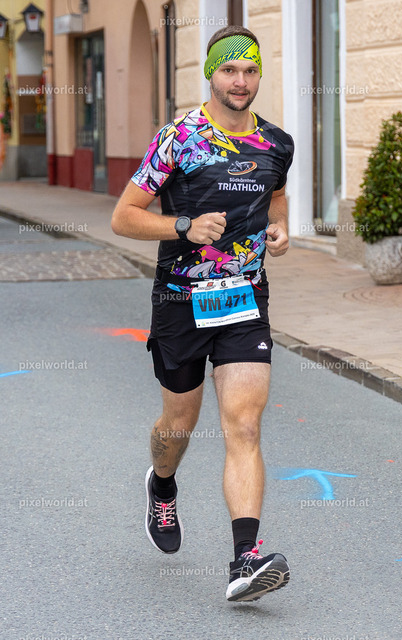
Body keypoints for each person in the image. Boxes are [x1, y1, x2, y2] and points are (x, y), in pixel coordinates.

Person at [111, 24, 294, 602]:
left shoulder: (277, 143)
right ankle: (162, 484)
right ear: (211, 74)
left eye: (250, 70)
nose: (240, 81)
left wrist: (279, 229)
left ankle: (245, 560)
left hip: (244, 299)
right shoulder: (179, 139)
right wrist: (184, 226)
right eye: (229, 70)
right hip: (180, 301)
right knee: (178, 425)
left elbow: (276, 196)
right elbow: (124, 216)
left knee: (244, 424)